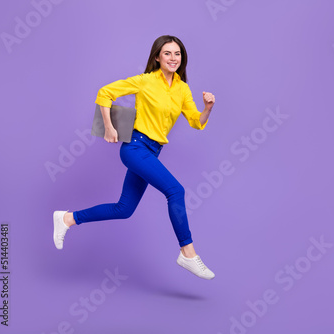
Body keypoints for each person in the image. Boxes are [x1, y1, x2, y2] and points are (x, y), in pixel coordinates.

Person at [53, 35, 215, 280]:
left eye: (177, 54)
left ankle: (67, 218)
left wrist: (207, 109)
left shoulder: (182, 88)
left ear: (182, 58)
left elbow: (196, 121)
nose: (173, 58)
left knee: (124, 208)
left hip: (152, 151)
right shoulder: (146, 81)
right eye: (167, 53)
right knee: (176, 191)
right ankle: (187, 252)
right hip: (136, 148)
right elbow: (105, 93)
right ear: (157, 57)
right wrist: (109, 126)